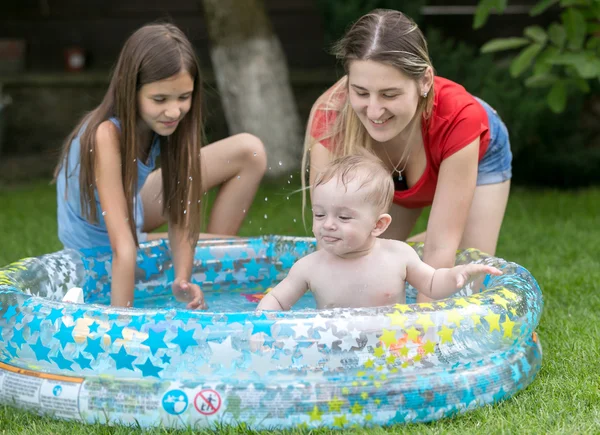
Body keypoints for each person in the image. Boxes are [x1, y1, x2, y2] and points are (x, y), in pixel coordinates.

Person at [302, 9, 512, 303]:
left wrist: (422, 332)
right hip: (402, 166)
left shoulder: (459, 118)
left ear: (425, 81)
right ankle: (404, 256)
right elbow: (332, 244)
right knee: (358, 248)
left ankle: (417, 248)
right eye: (361, 93)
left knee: (465, 280)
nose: (374, 111)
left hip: (472, 149)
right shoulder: (331, 119)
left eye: (389, 95)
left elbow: (440, 250)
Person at [55, 23, 267, 310]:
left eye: (184, 97)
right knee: (238, 249)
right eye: (160, 99)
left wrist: (182, 279)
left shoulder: (170, 123)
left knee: (248, 151)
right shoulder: (105, 134)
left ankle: (213, 279)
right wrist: (122, 326)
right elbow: (124, 248)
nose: (174, 110)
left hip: (134, 211)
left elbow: (181, 212)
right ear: (131, 90)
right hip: (99, 247)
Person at [257, 154, 501, 311]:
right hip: (336, 350)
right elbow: (277, 300)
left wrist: (458, 274)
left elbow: (433, 283)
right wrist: (262, 325)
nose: (328, 224)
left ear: (378, 225)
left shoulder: (398, 255)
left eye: (343, 217)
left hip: (390, 348)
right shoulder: (308, 267)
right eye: (320, 214)